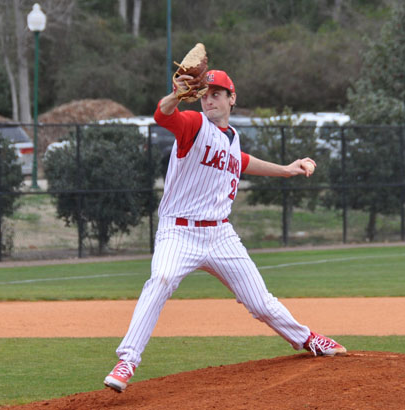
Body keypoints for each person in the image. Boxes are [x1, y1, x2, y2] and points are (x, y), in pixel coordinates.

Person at [103, 69, 346, 393]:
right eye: (205, 94)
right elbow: (163, 116)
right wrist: (177, 94)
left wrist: (286, 170)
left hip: (220, 235)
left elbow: (241, 160)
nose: (209, 99)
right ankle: (127, 360)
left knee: (260, 303)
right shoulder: (194, 124)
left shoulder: (231, 137)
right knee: (160, 280)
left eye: (217, 93)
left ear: (233, 99)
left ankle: (307, 339)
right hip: (180, 231)